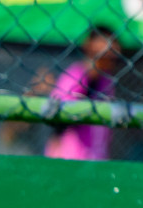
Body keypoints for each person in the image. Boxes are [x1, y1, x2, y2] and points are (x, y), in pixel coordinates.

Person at [44, 25, 120, 161]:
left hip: (96, 159)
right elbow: (58, 117)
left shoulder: (106, 81)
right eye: (105, 42)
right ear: (89, 46)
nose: (112, 50)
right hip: (69, 158)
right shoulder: (76, 75)